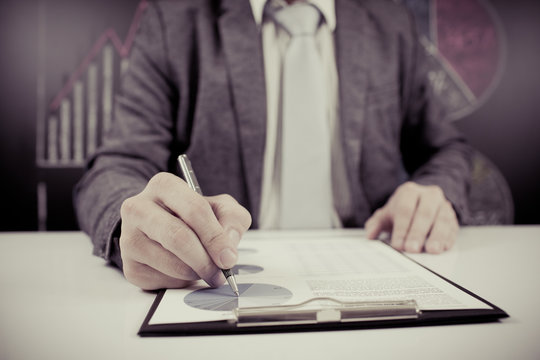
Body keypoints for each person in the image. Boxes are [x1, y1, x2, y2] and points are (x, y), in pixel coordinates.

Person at [74, 0, 472, 291]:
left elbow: (447, 151)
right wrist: (136, 226)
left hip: (371, 269)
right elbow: (115, 168)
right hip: (227, 280)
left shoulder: (390, 20)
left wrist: (435, 193)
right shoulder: (174, 20)